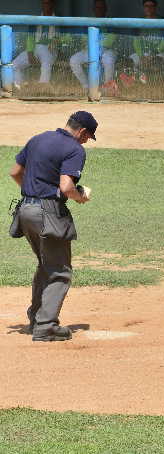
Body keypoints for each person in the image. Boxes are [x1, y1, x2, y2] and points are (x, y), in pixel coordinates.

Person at [8, 111, 97, 342]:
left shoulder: (38, 139)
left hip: (25, 210)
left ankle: (37, 318)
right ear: (83, 131)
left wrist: (32, 192)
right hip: (47, 213)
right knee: (59, 270)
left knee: (46, 264)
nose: (86, 141)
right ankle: (45, 326)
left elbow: (15, 172)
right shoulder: (75, 149)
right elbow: (66, 185)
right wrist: (79, 197)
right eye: (88, 136)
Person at [12, 0, 61, 90]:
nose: (45, 5)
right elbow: (30, 37)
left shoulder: (59, 20)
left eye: (48, 3)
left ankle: (42, 86)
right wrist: (30, 52)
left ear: (52, 4)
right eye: (43, 3)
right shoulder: (36, 19)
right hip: (34, 50)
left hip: (51, 49)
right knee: (14, 65)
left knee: (45, 59)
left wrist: (56, 41)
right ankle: (21, 87)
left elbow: (65, 38)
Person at [69, 0, 118, 95]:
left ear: (106, 9)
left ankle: (107, 87)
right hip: (90, 50)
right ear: (93, 9)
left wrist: (96, 47)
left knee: (107, 59)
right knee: (74, 59)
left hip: (107, 51)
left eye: (101, 7)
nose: (99, 9)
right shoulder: (88, 22)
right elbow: (84, 40)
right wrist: (93, 49)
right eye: (97, 7)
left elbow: (110, 41)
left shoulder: (111, 22)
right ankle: (86, 86)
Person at [129, 0, 164, 81]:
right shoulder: (139, 22)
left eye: (151, 6)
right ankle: (140, 82)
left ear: (155, 7)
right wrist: (141, 55)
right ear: (143, 8)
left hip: (159, 53)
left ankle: (153, 85)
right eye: (146, 6)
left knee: (156, 62)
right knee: (129, 62)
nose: (149, 8)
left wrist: (153, 54)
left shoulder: (162, 21)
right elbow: (135, 41)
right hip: (142, 54)